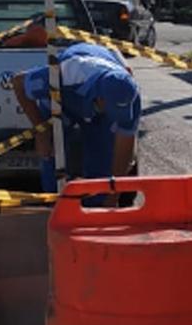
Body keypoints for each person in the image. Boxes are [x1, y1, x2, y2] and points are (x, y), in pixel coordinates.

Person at [11, 36, 140, 204]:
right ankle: (56, 208)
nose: (117, 115)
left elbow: (124, 148)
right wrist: (41, 131)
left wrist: (112, 197)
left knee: (103, 167)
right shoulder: (64, 75)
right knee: (54, 157)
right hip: (64, 103)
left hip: (94, 107)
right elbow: (18, 82)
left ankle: (94, 211)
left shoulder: (130, 96)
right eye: (112, 110)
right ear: (99, 98)